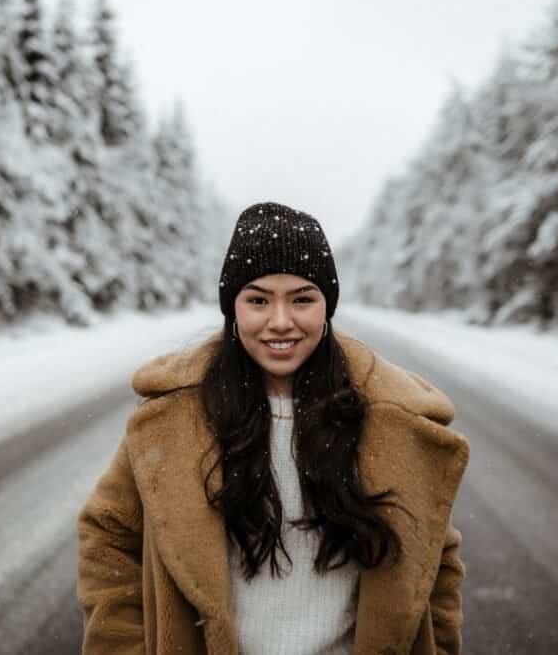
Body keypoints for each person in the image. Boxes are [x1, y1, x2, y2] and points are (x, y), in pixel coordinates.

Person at [77, 201, 470, 655]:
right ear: (233, 309)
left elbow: (434, 560)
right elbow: (108, 533)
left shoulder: (385, 418)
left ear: (327, 307)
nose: (280, 321)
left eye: (302, 299)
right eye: (259, 300)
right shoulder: (178, 416)